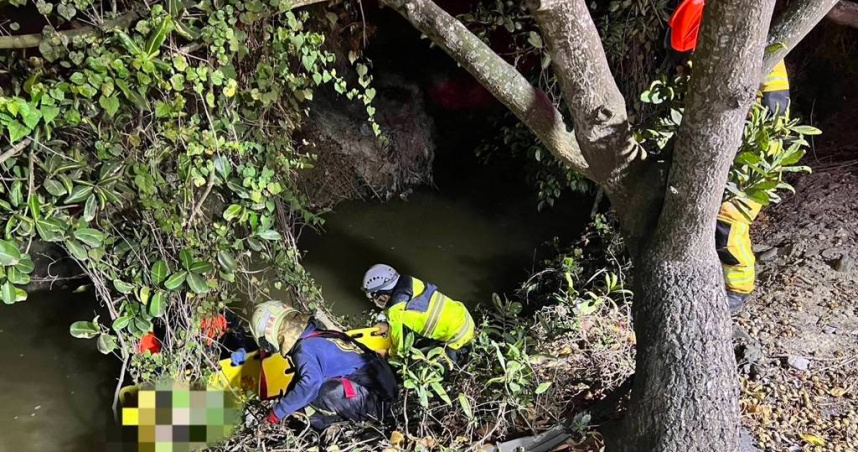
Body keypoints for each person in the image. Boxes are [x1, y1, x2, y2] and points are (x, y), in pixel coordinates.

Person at [666, 0, 792, 312]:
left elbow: (770, 110)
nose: (686, 68)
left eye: (688, 60)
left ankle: (739, 288)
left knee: (728, 218)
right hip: (745, 149)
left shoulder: (752, 55)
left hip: (758, 155)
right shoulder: (730, 46)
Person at [232, 301, 397, 430]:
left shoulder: (304, 350)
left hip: (378, 403)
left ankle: (339, 424)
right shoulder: (319, 334)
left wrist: (276, 414)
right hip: (386, 388)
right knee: (305, 395)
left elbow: (310, 383)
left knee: (319, 393)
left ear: (272, 335)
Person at [361, 264, 475, 364]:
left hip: (458, 341)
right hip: (466, 320)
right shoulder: (411, 282)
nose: (376, 304)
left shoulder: (396, 313)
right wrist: (386, 322)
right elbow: (403, 307)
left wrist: (387, 354)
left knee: (412, 363)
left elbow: (400, 351)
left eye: (375, 299)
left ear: (383, 295)